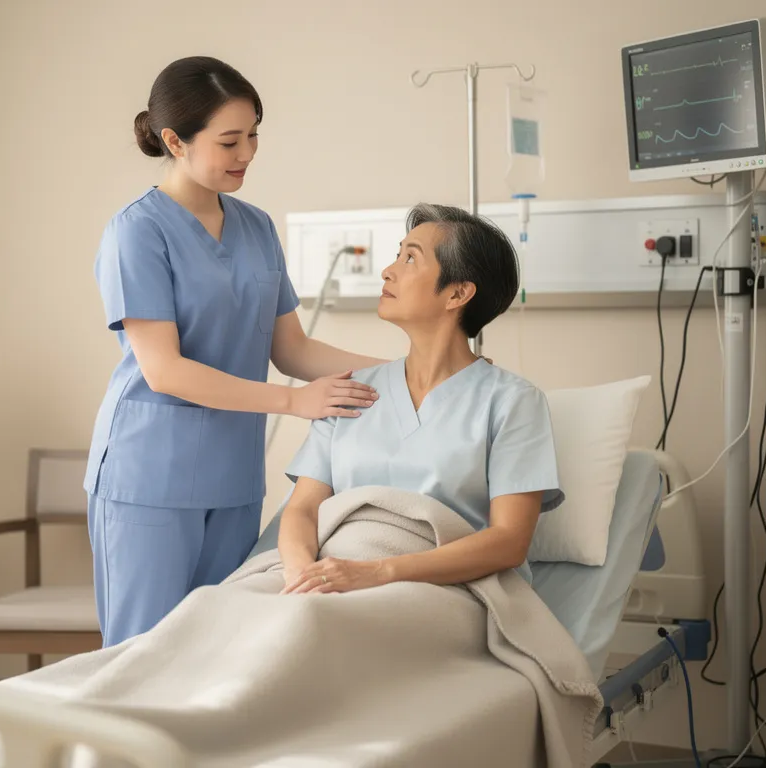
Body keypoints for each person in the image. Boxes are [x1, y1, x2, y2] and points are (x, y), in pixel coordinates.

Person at [85, 56, 387, 647]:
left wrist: (407, 370)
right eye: (229, 141)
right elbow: (164, 370)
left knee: (219, 654)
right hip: (150, 475)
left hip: (233, 477)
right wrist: (294, 403)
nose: (246, 153)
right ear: (175, 141)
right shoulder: (137, 231)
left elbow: (292, 348)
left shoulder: (257, 227)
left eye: (253, 135)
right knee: (142, 658)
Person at [278, 203, 563, 594]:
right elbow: (302, 509)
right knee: (225, 611)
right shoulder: (350, 390)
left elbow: (509, 541)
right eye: (397, 255)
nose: (388, 270)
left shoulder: (512, 402)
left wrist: (377, 573)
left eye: (410, 258)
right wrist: (301, 577)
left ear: (457, 293)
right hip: (327, 575)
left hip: (441, 588)